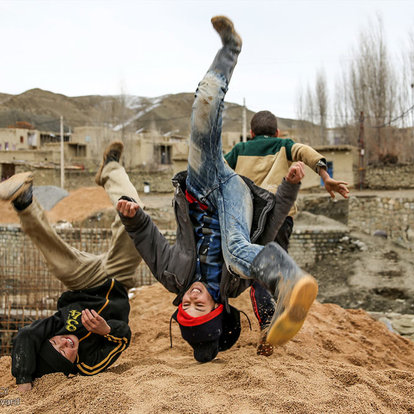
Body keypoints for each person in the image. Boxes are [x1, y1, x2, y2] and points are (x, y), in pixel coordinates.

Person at [117, 16, 318, 363]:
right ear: (217, 308)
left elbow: (148, 243)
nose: (193, 297)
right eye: (200, 306)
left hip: (200, 187)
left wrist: (134, 219)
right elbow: (267, 229)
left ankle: (230, 49)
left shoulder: (172, 275)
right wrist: (289, 187)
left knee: (204, 106)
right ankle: (288, 280)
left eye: (187, 306)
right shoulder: (234, 284)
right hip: (232, 196)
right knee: (239, 254)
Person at [0, 142, 143, 392]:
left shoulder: (57, 327)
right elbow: (123, 338)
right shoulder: (88, 364)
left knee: (59, 263)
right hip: (119, 280)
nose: (66, 344)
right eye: (66, 353)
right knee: (135, 217)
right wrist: (106, 330)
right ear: (71, 368)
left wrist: (24, 382)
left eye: (56, 344)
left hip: (83, 281)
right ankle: (111, 168)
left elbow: (26, 335)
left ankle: (25, 203)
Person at [224, 110, 349, 250]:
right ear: (277, 132)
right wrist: (326, 177)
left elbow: (220, 167)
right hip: (279, 219)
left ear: (251, 133)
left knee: (247, 263)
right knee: (276, 264)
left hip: (246, 219)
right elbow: (304, 151)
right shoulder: (284, 145)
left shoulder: (240, 149)